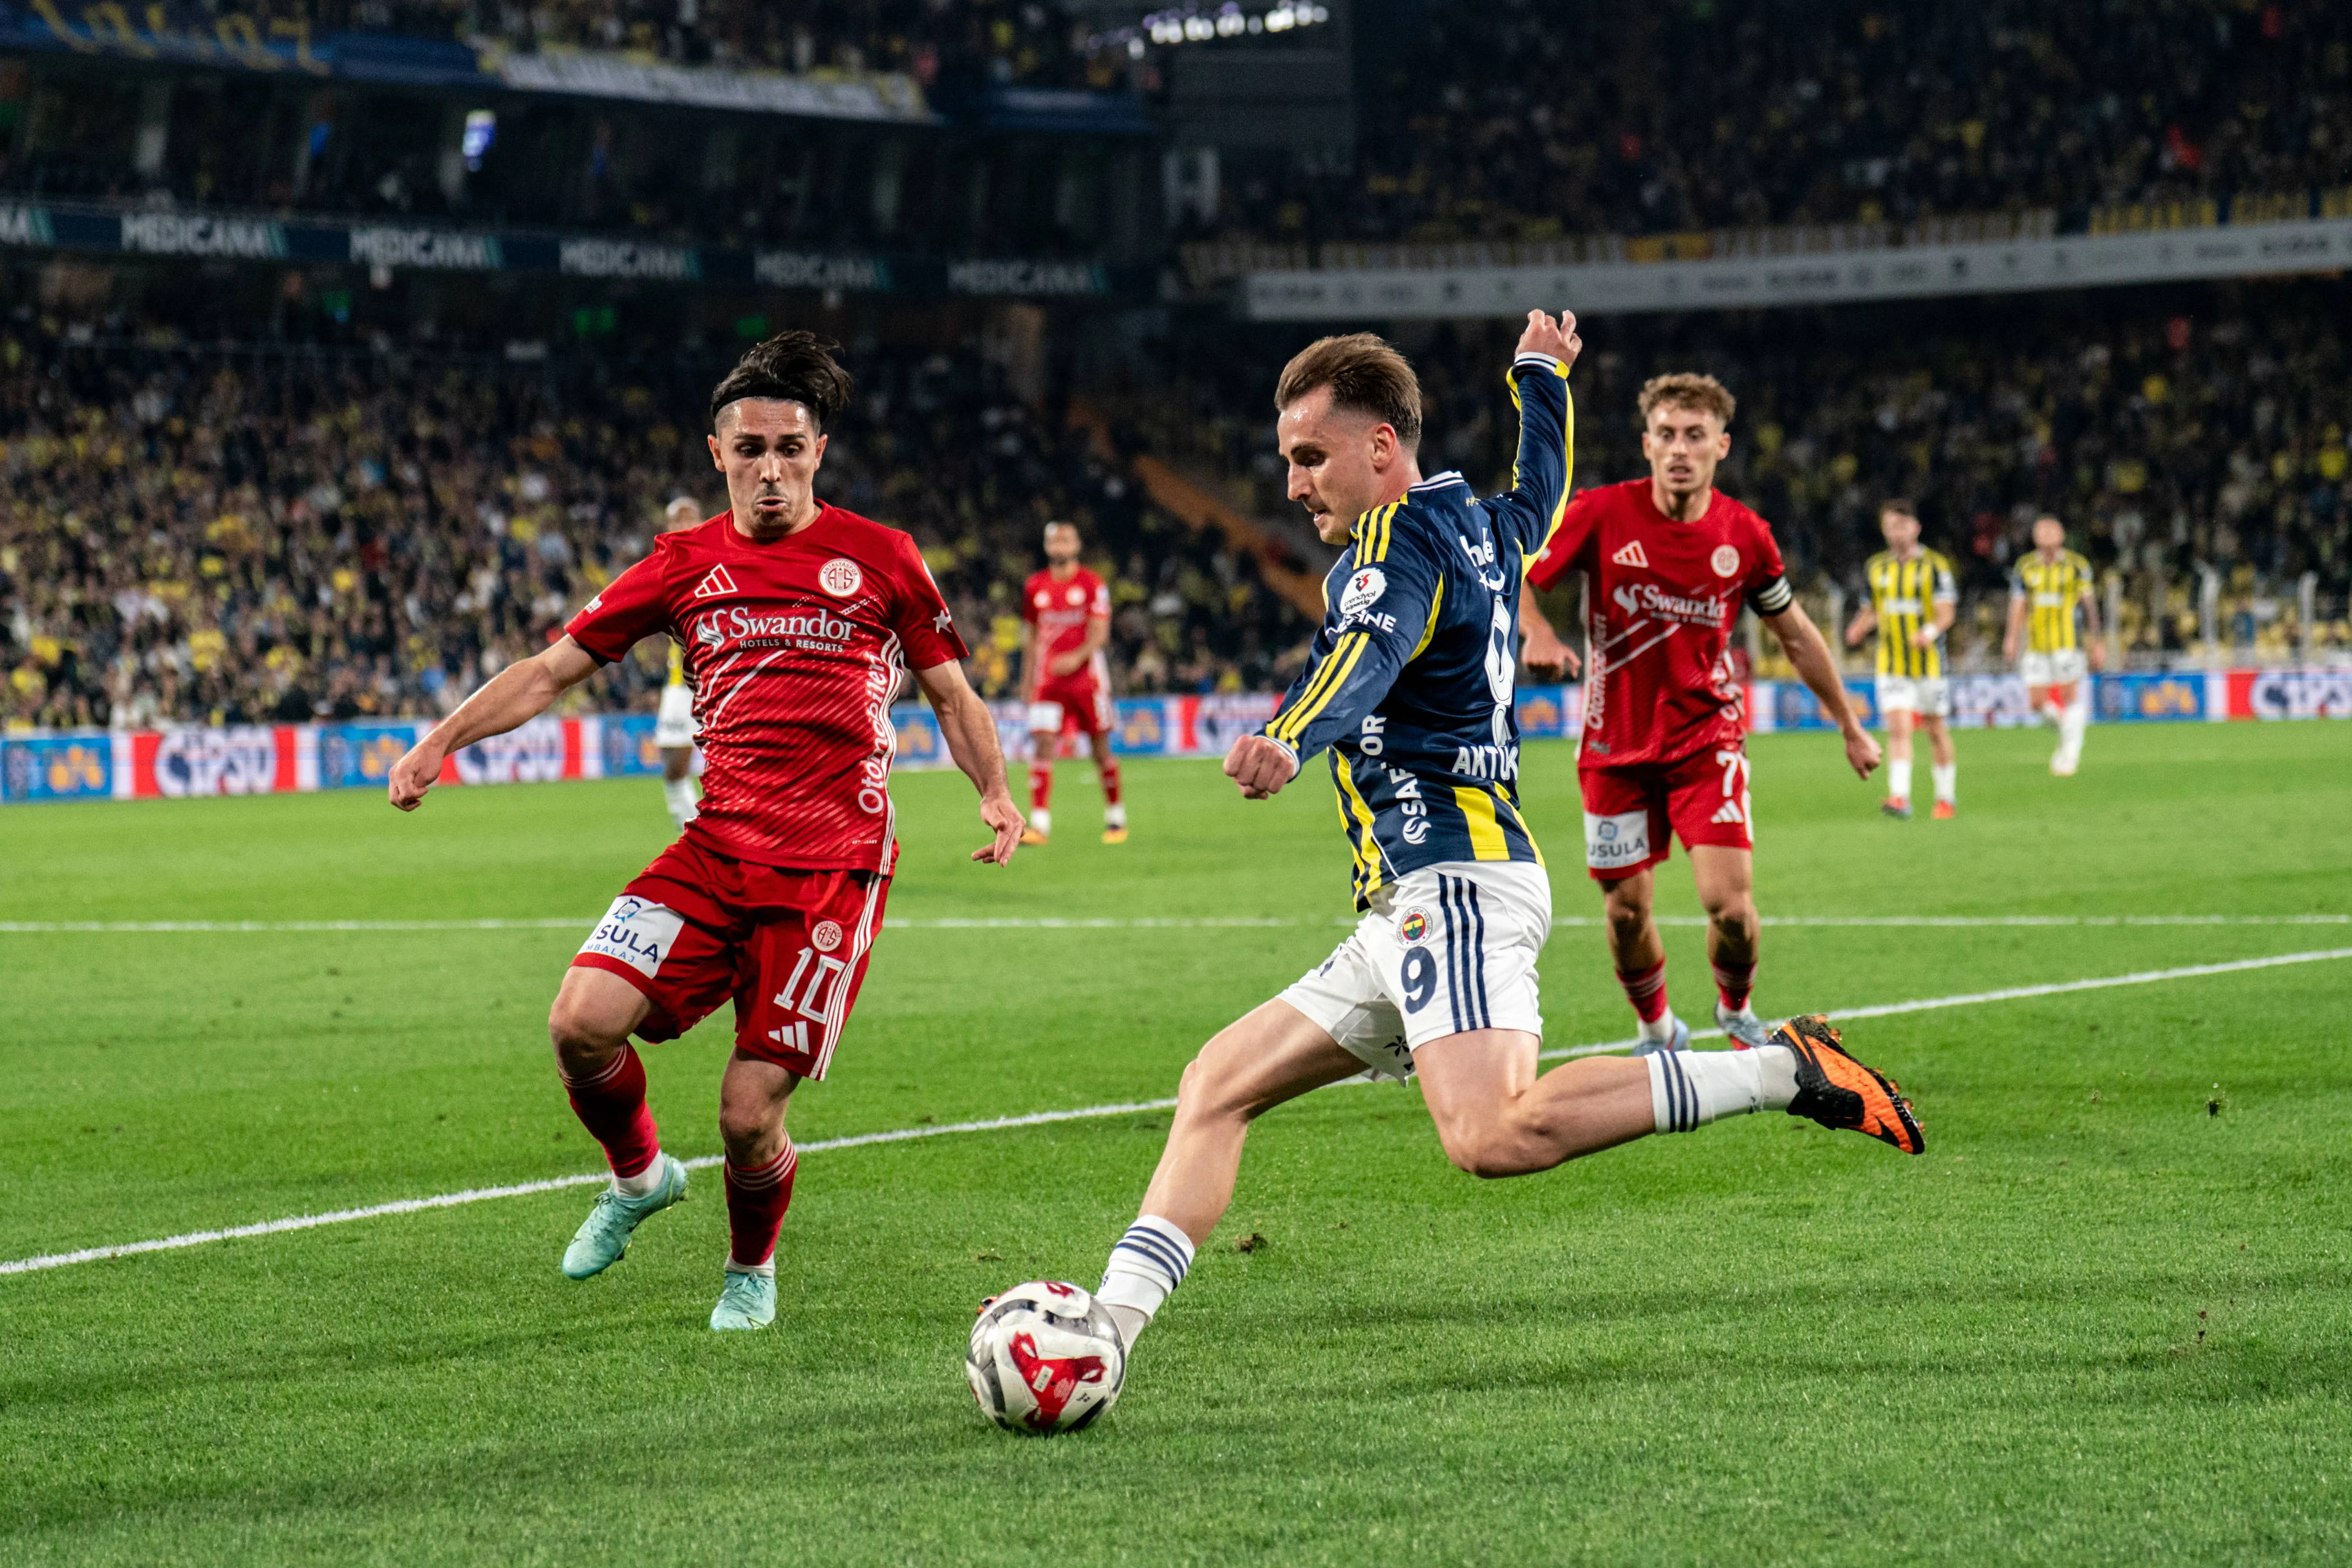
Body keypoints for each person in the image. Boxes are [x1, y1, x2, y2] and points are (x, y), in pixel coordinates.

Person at [1027, 319, 1920, 1366]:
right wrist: (1539, 376)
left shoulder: (1394, 544)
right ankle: (1111, 1335)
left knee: (1492, 1134)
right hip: (1430, 889)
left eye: (1308, 458)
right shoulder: (1487, 526)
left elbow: (1369, 646)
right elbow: (1542, 476)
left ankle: (1776, 1071)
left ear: (1379, 448)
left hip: (1449, 880)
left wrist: (1287, 732)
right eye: (1285, 461)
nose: (1292, 485)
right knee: (1214, 1084)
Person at [388, 332, 1024, 1331]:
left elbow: (950, 691)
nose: (769, 467)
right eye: (749, 448)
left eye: (790, 446)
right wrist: (440, 741)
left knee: (744, 1114)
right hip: (716, 849)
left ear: (818, 452)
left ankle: (748, 1268)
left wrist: (993, 790)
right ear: (716, 454)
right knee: (579, 1022)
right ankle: (639, 1176)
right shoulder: (683, 564)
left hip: (830, 872)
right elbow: (551, 670)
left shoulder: (882, 557)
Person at [1518, 373, 1881, 1053]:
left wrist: (1850, 724)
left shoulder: (1744, 535)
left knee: (1732, 909)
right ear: (1647, 444)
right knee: (1626, 911)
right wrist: (1536, 632)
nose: (1679, 449)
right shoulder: (1601, 513)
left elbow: (1796, 634)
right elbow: (1515, 578)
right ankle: (1656, 1028)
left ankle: (1736, 1007)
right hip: (1613, 747)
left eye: (1694, 436)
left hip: (1704, 741)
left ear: (1721, 445)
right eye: (1665, 435)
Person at [1845, 500, 1958, 819]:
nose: (1896, 531)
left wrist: (1929, 632)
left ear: (1916, 528)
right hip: (1891, 664)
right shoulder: (1877, 568)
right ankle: (1900, 797)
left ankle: (1946, 797)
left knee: (1936, 731)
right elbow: (1873, 611)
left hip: (1930, 665)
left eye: (1902, 525)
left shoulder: (1936, 566)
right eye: (1890, 526)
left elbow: (1947, 612)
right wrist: (1858, 628)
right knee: (1899, 728)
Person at [1018, 521, 1125, 845]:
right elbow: (1032, 637)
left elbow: (1100, 634)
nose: (1060, 546)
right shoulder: (1035, 586)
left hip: (1087, 681)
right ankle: (1039, 824)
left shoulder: (1092, 584)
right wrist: (1027, 680)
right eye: (1054, 541)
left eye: (1066, 540)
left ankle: (1116, 818)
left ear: (1076, 546)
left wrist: (1075, 659)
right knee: (1043, 745)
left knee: (1100, 749)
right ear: (1047, 547)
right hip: (1048, 683)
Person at [2003, 515, 2103, 777]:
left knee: (2071, 697)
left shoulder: (2076, 565)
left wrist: (2098, 641)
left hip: (2068, 644)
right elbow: (2018, 604)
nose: (2047, 535)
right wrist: (2011, 637)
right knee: (2037, 703)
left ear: (2061, 536)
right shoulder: (2025, 567)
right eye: (2042, 531)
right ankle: (2068, 733)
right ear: (2035, 537)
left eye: (2052, 530)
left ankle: (2070, 754)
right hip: (2036, 645)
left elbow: (2089, 606)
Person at [655, 495, 705, 830]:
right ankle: (691, 829)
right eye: (677, 518)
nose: (684, 524)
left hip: (721, 681)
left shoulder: (720, 560)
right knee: (673, 766)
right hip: (680, 685)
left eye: (690, 517)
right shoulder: (663, 567)